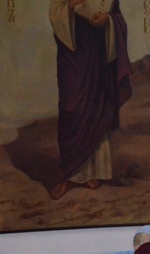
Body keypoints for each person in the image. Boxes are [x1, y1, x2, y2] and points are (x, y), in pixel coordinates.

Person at [48, 0, 132, 200]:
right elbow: (55, 12)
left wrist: (108, 20)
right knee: (71, 108)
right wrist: (69, 6)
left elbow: (118, 17)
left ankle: (95, 172)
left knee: (97, 108)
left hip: (98, 52)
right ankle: (69, 175)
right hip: (73, 51)